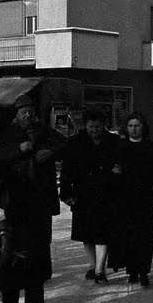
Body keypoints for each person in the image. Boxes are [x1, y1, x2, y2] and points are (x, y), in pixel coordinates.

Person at [0, 94, 66, 303]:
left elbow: (65, 146)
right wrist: (18, 150)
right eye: (23, 111)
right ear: (16, 114)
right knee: (10, 260)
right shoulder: (8, 136)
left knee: (36, 264)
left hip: (38, 209)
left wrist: (50, 152)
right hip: (12, 207)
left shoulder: (45, 132)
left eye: (30, 111)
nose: (28, 115)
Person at [59, 108, 121, 284]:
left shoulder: (114, 142)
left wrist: (119, 173)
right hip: (83, 193)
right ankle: (92, 266)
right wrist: (65, 193)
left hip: (106, 193)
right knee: (86, 233)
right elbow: (66, 170)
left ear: (104, 126)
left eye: (98, 126)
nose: (94, 130)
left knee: (103, 232)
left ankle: (100, 270)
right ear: (85, 125)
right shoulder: (75, 142)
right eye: (91, 126)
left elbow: (121, 164)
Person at [110, 112, 153, 287]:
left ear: (143, 127)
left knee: (145, 235)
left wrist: (148, 186)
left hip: (145, 198)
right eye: (131, 126)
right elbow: (115, 170)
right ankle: (132, 270)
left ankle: (143, 271)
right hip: (125, 199)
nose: (134, 129)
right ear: (126, 128)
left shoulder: (151, 147)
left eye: (137, 126)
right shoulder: (121, 146)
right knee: (129, 235)